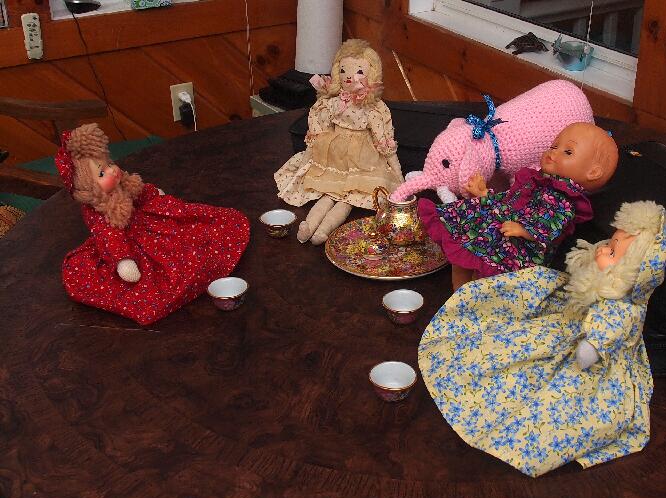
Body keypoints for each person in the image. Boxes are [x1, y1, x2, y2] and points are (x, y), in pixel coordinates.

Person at [418, 201, 666, 478]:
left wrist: (590, 347)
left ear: (632, 274)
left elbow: (606, 332)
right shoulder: (601, 286)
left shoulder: (622, 309)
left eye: (611, 253)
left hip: (594, 354)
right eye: (608, 244)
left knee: (557, 395)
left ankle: (512, 433)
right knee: (514, 335)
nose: (601, 250)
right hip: (567, 324)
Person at [57, 123, 249, 325]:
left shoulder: (122, 185)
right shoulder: (99, 212)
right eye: (102, 173)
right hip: (127, 245)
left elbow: (138, 193)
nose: (112, 171)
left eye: (109, 164)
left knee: (193, 231)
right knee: (160, 277)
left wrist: (153, 194)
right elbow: (110, 236)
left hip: (148, 224)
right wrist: (123, 260)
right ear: (88, 188)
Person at [418, 122, 619, 290]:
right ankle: (457, 297)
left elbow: (551, 226)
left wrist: (525, 230)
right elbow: (509, 201)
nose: (553, 152)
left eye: (568, 152)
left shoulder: (564, 199)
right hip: (500, 229)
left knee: (481, 272)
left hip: (519, 249)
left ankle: (469, 300)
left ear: (593, 172)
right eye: (554, 146)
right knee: (460, 249)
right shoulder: (537, 181)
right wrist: (484, 194)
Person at [274, 39, 403, 245]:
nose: (350, 77)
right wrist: (306, 161)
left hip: (362, 161)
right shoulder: (331, 103)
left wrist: (397, 173)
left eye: (359, 71)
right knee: (328, 196)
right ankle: (308, 226)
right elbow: (318, 133)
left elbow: (383, 139)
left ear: (372, 74)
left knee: (346, 201)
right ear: (337, 72)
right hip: (333, 156)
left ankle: (323, 231)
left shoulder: (373, 109)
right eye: (343, 71)